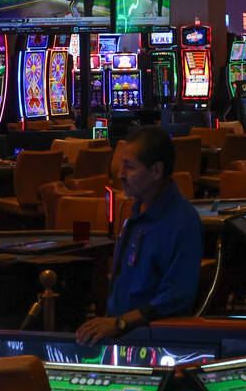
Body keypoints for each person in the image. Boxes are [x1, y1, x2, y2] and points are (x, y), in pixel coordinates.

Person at [76, 127, 203, 346]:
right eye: (121, 164)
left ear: (156, 171)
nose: (120, 174)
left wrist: (120, 324)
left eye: (130, 166)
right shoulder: (138, 211)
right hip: (119, 335)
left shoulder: (183, 221)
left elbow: (176, 297)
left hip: (154, 342)